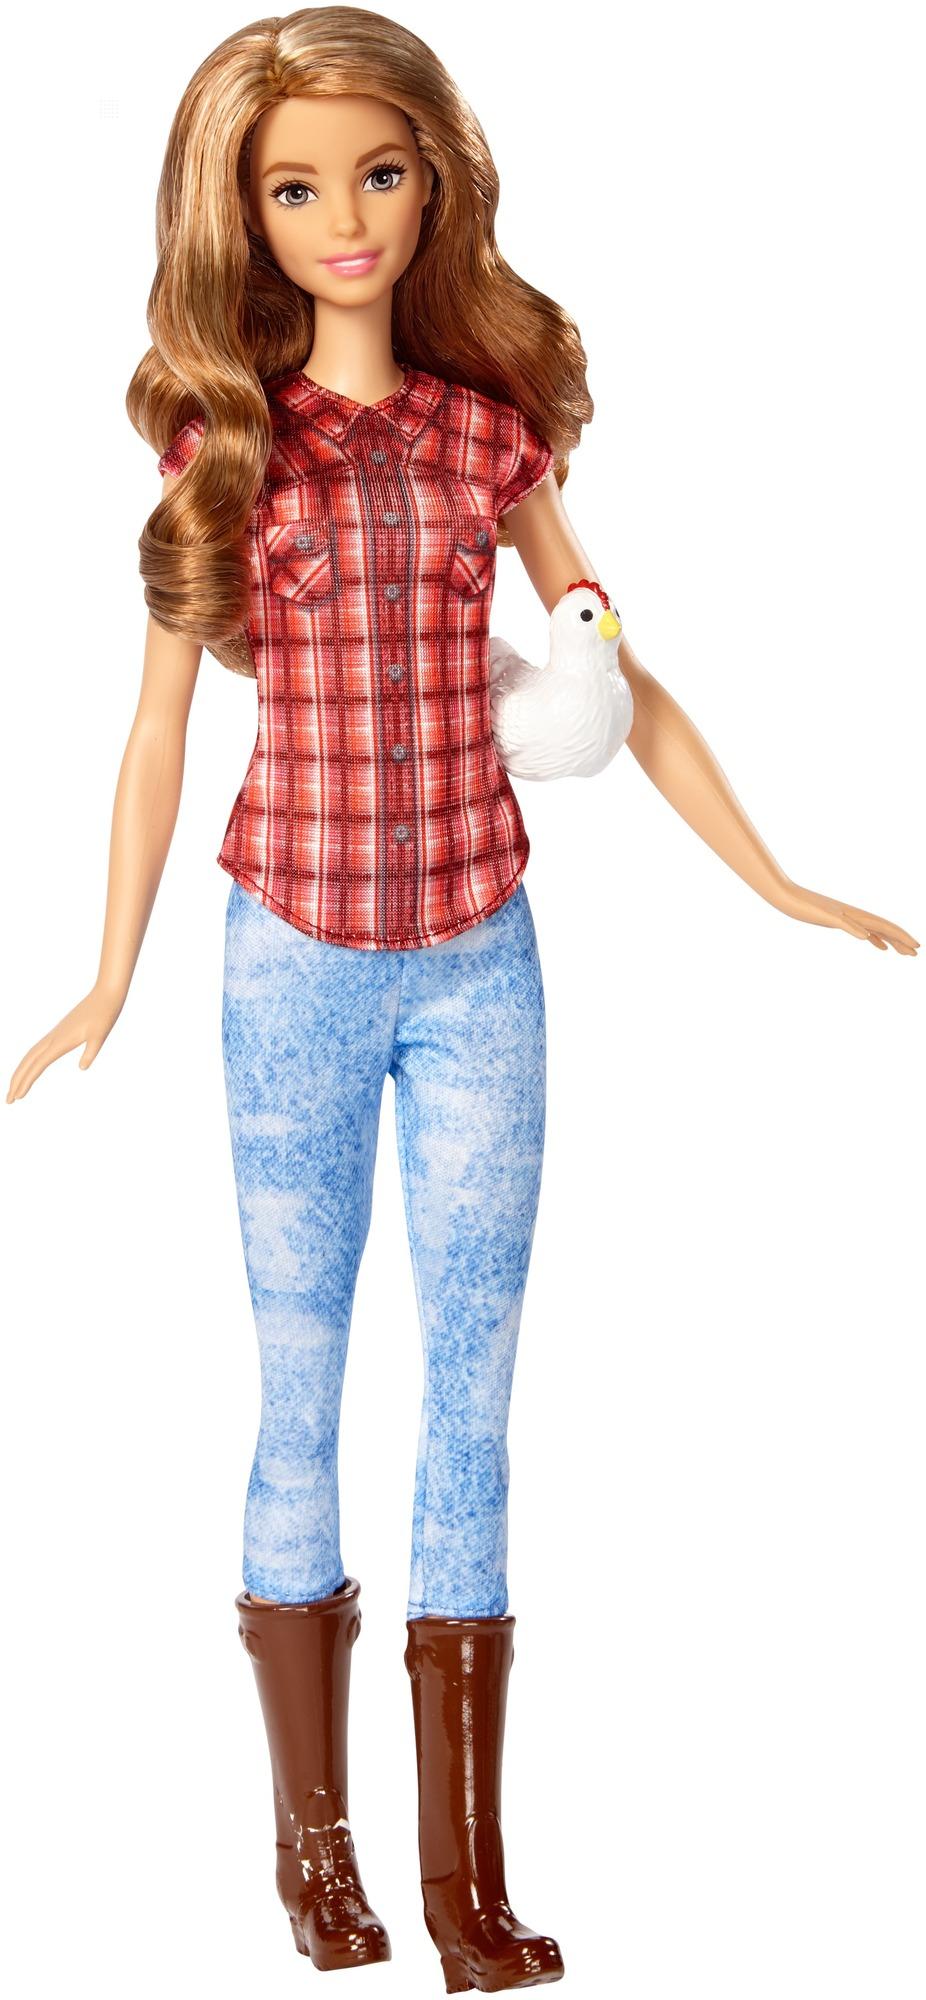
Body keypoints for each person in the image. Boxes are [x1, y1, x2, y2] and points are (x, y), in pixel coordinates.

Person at [5, 8, 918, 1992]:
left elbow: (610, 670)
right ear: (242, 214)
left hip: (480, 955)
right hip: (288, 958)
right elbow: (155, 729)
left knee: (474, 1396)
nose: (344, 217)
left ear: (436, 185)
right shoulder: (228, 447)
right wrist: (105, 970)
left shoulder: (487, 437)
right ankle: (313, 1858)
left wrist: (771, 876)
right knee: (300, 1386)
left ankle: (467, 1881)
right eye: (296, 186)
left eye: (379, 173)